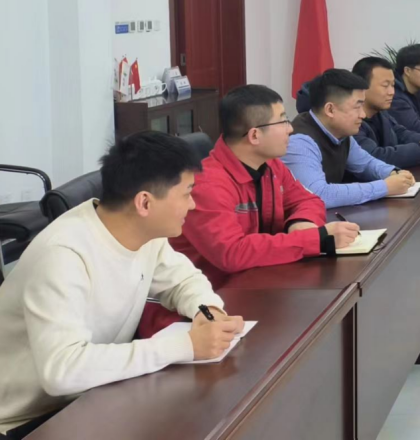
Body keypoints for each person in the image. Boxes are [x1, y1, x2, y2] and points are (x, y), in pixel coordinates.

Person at [0, 132, 244, 438]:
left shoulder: (142, 231)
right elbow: (62, 371)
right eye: (186, 194)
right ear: (145, 202)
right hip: (25, 421)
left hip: (92, 395)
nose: (193, 205)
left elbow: (183, 279)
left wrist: (207, 310)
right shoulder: (62, 255)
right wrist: (185, 346)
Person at [171, 85, 362, 286]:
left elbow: (308, 199)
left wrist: (301, 222)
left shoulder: (271, 165)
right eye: (283, 121)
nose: (291, 129)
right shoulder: (207, 185)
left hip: (262, 278)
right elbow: (232, 253)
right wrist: (317, 238)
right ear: (254, 135)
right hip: (215, 293)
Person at [285, 69, 416, 208]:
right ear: (330, 110)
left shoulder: (340, 132)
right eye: (357, 107)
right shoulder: (299, 142)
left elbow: (365, 164)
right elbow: (319, 195)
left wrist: (392, 172)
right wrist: (384, 187)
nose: (363, 114)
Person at [351, 56, 420, 169]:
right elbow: (374, 156)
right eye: (385, 86)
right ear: (362, 86)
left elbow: (400, 133)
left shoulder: (381, 113)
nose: (392, 92)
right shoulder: (351, 121)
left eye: (393, 85)